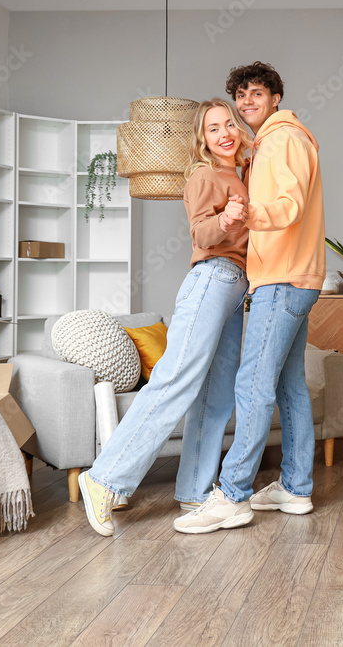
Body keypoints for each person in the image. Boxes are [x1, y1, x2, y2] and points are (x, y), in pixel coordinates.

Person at [79, 98, 254, 537]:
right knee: (175, 379)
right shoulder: (202, 174)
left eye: (229, 124)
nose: (224, 134)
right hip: (212, 280)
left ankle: (196, 491)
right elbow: (201, 232)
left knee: (217, 395)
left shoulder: (245, 172)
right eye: (212, 129)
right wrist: (228, 220)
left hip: (237, 289)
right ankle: (102, 480)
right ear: (203, 139)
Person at [173, 62, 325, 534]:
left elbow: (291, 205)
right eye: (240, 95)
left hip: (281, 279)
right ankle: (296, 488)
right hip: (296, 276)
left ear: (275, 97)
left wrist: (250, 213)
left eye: (256, 93)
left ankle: (233, 494)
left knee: (252, 384)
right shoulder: (269, 143)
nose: (246, 102)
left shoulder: (282, 139)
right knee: (288, 385)